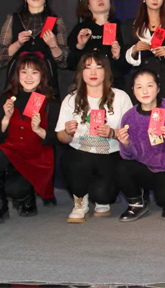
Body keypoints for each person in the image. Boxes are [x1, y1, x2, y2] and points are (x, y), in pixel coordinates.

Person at [55, 54, 133, 223]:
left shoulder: (121, 97)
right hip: (80, 152)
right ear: (80, 72)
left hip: (110, 153)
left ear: (106, 71)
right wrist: (68, 132)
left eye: (98, 67)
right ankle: (80, 202)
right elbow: (61, 138)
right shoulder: (71, 99)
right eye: (87, 67)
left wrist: (112, 133)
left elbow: (131, 133)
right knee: (72, 157)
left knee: (103, 196)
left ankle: (101, 198)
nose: (93, 72)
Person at [0, 53, 57, 221]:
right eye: (24, 72)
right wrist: (5, 118)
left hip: (36, 155)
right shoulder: (8, 98)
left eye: (34, 72)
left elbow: (57, 138)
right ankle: (0, 206)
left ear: (42, 75)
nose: (28, 77)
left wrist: (38, 130)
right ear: (17, 75)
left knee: (15, 189)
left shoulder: (50, 102)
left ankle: (27, 195)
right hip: (12, 151)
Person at [116, 67, 165, 220]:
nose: (145, 91)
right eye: (139, 87)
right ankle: (137, 203)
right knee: (121, 167)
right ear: (133, 90)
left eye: (149, 85)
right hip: (145, 167)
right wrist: (126, 143)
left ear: (158, 88)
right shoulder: (129, 116)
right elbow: (128, 156)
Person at [0, 0, 67, 92]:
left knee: (45, 104)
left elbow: (63, 62)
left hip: (45, 79)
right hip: (18, 79)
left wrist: (53, 45)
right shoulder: (13, 19)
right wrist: (18, 43)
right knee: (16, 103)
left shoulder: (55, 20)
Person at [66, 0, 124, 73]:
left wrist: (117, 57)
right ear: (88, 6)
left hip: (113, 78)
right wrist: (80, 46)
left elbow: (127, 67)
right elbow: (71, 64)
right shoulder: (81, 29)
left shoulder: (121, 27)